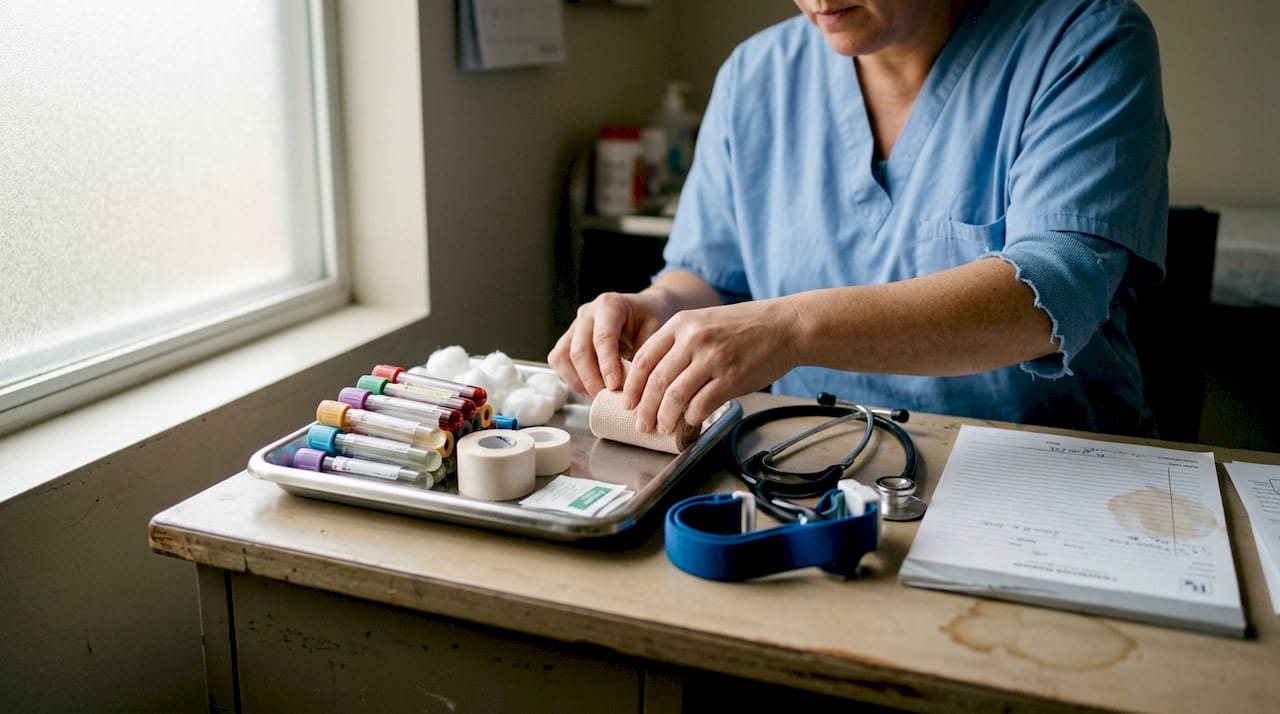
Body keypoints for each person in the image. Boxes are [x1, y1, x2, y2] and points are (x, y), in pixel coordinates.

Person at [549, 0, 1169, 440]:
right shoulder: (755, 75)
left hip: (1042, 469)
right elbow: (712, 275)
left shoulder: (1087, 40)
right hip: (807, 454)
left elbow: (1049, 291)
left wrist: (791, 327)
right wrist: (654, 309)